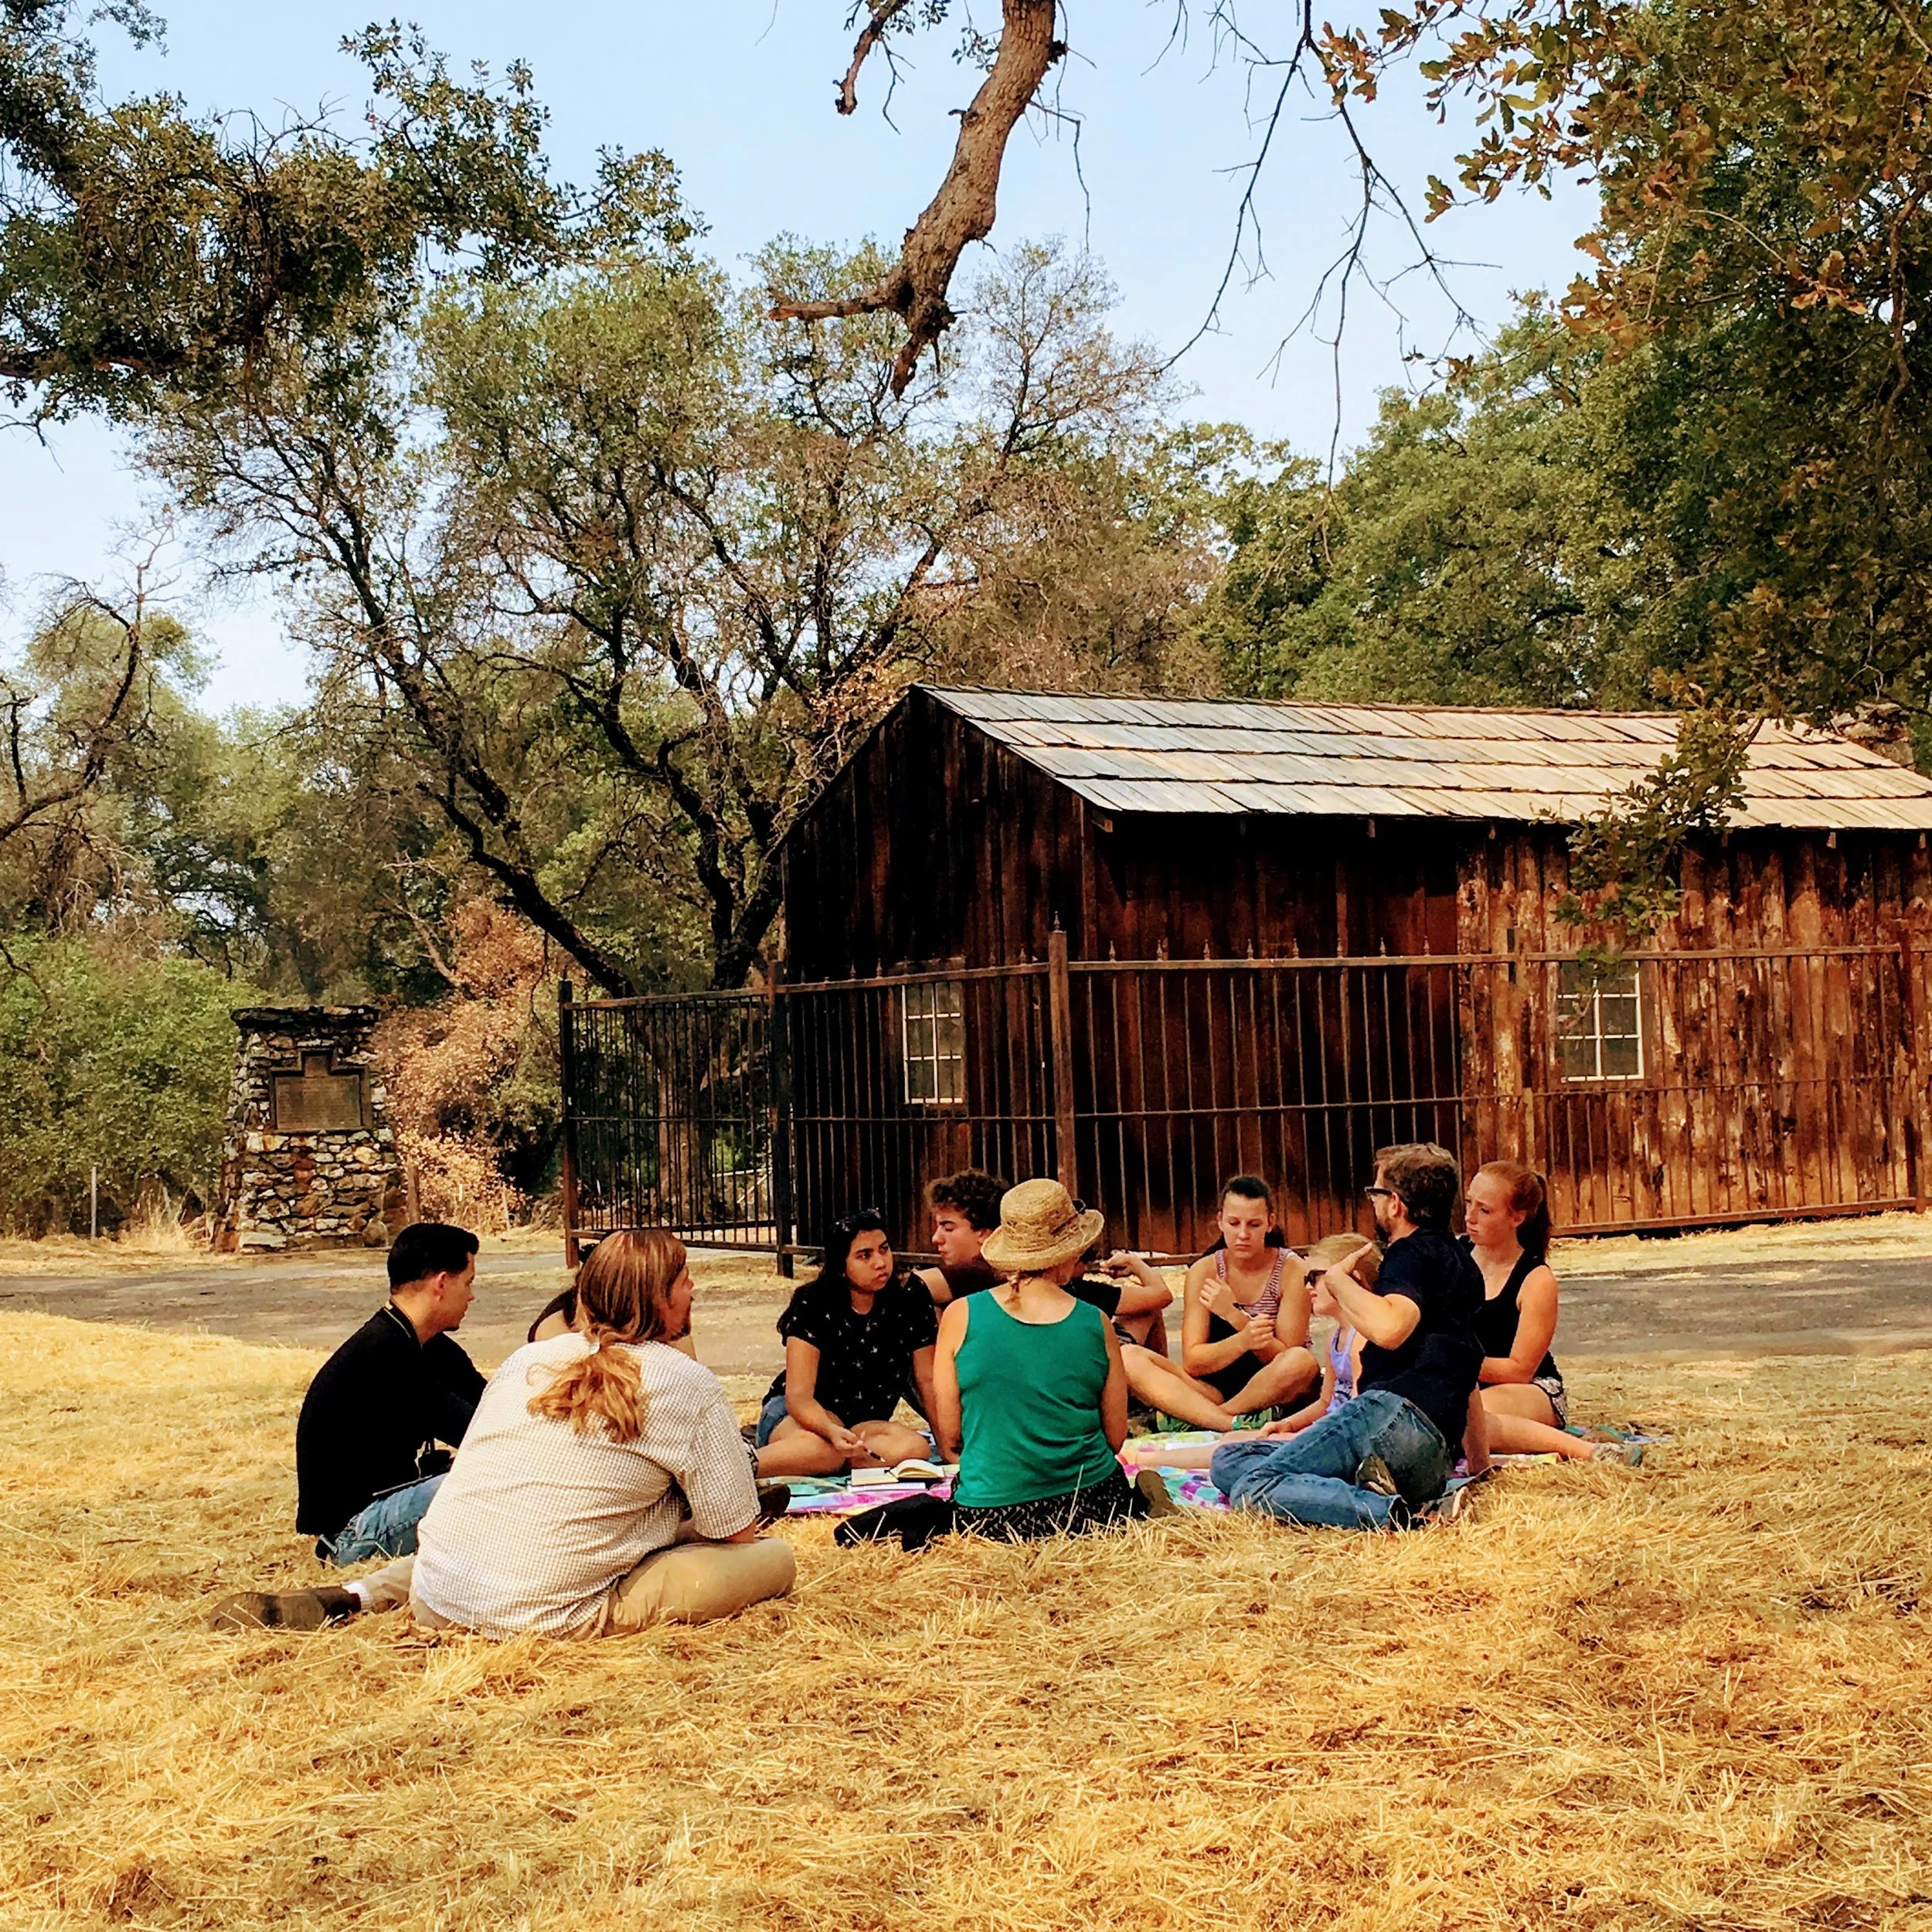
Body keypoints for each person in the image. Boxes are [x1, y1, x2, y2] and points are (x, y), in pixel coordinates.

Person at [211, 1230, 795, 1635]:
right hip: (543, 1611)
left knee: (500, 1528)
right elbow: (736, 1536)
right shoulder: (684, 1382)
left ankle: (361, 1595)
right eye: (686, 1280)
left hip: (441, 1596)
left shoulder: (531, 1361)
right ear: (659, 1296)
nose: (694, 1291)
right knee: (775, 1562)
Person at [840, 1179, 1145, 1549]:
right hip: (1093, 1507)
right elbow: (1113, 1438)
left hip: (990, 1512)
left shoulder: (960, 1316)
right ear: (1068, 1251)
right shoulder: (1095, 1322)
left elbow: (950, 1438)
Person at [1209, 1144, 1489, 1529]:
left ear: (1395, 1204)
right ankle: (1360, 1492)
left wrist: (1338, 1280)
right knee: (1228, 1462)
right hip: (1433, 1455)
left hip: (1394, 1416)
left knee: (1252, 1489)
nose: (1372, 1204)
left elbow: (1391, 1329)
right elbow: (1466, 1369)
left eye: (1376, 1193)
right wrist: (1479, 1465)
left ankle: (1392, 1514)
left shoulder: (1409, 1253)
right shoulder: (1462, 1261)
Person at [291, 1221, 485, 1569]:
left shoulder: (428, 1346)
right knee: (490, 1480)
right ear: (442, 1283)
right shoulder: (385, 1353)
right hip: (354, 1533)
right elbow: (480, 1432)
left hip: (391, 1505)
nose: (472, 1296)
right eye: (468, 1283)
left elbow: (492, 1405)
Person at [1119, 1175, 1319, 1431]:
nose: (1243, 1235)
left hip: (1270, 1386)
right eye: (1234, 1223)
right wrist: (1244, 1340)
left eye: (1254, 1225)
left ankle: (1204, 1418)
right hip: (1212, 1388)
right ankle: (1228, 1422)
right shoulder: (1205, 1270)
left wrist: (1234, 1315)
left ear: (1270, 1223)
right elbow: (1193, 1360)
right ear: (1220, 1221)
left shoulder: (1291, 1270)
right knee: (1128, 1356)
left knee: (1302, 1362)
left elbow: (1287, 1356)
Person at [753, 1209, 940, 1478]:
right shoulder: (813, 1302)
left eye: (884, 1250)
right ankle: (738, 1470)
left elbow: (928, 1379)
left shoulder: (910, 1296)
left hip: (863, 1424)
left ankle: (824, 1461)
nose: (880, 1262)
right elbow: (799, 1398)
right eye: (865, 1255)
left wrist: (948, 1446)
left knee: (914, 1448)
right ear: (841, 1266)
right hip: (804, 1417)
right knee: (823, 1450)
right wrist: (830, 1432)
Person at [913, 1168, 1175, 1351]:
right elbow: (1159, 1295)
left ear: (986, 1234)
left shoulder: (980, 1273)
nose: (936, 1239)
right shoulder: (983, 1279)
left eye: (948, 1228)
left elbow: (910, 1287)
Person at [1465, 1160, 1617, 1462]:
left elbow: (1520, 1369)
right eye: (1468, 1202)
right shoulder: (1452, 1256)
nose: (1469, 1217)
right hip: (1467, 1384)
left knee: (1464, 1416)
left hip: (1530, 1388)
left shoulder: (1536, 1279)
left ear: (1517, 1217)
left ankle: (1589, 1452)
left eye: (1484, 1210)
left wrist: (1453, 1361)